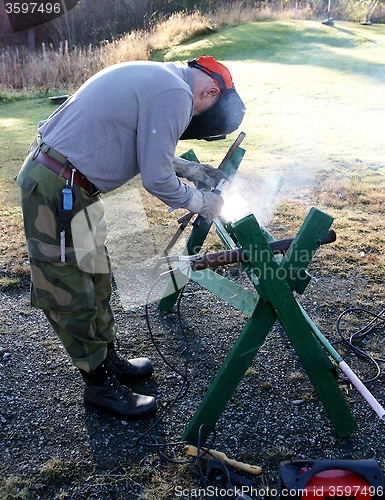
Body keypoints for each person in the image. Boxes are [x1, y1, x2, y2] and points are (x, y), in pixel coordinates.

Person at [15, 56, 245, 421]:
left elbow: (148, 145)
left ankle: (105, 359)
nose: (191, 117)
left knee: (96, 275)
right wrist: (201, 202)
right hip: (58, 189)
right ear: (210, 91)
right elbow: (155, 179)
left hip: (72, 186)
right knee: (71, 289)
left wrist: (190, 169)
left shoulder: (163, 76)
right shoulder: (176, 92)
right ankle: (99, 386)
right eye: (200, 114)